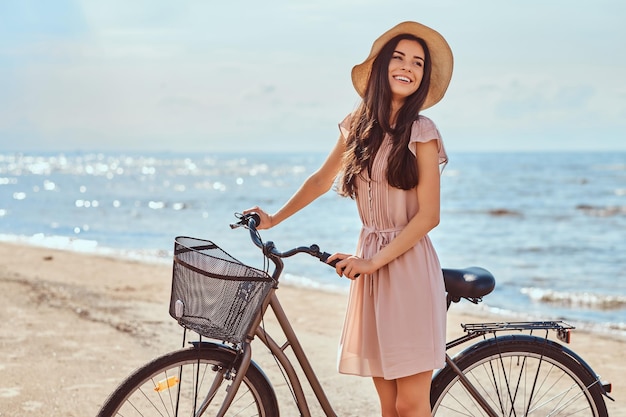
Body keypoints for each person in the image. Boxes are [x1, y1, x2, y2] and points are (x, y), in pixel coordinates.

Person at [244, 21, 453, 417]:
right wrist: (274, 219)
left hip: (405, 266)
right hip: (370, 266)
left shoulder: (422, 130)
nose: (407, 67)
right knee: (388, 406)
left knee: (410, 405)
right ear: (380, 67)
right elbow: (322, 179)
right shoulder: (358, 124)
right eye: (399, 58)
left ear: (424, 77)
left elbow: (429, 216)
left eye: (418, 63)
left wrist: (372, 262)